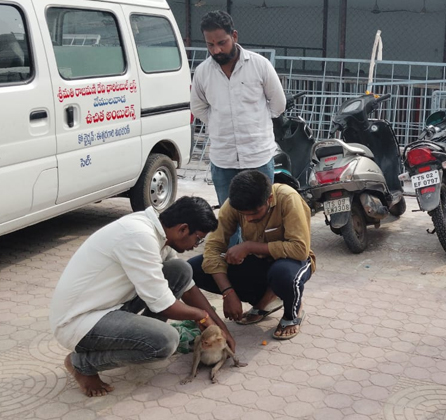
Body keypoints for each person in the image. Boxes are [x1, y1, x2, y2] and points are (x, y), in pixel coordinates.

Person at [50, 197, 234, 398]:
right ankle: (81, 364)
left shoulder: (159, 232)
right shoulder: (140, 237)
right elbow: (165, 306)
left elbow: (188, 288)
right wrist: (201, 316)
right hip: (79, 323)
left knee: (180, 270)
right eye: (198, 238)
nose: (195, 245)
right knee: (166, 341)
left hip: (108, 307)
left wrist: (221, 329)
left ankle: (140, 339)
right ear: (183, 229)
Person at [188, 170, 315, 340]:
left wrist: (249, 246)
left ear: (269, 199)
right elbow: (213, 248)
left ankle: (292, 314)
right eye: (244, 215)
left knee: (283, 275)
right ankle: (266, 299)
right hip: (260, 262)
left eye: (254, 214)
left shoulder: (288, 198)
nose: (248, 220)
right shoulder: (233, 205)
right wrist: (228, 292)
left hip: (294, 262)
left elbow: (300, 249)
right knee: (192, 268)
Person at [190, 10, 286, 207]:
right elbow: (198, 108)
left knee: (261, 218)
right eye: (210, 45)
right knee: (230, 222)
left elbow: (278, 104)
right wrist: (219, 122)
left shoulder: (260, 65)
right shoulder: (202, 73)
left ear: (234, 36)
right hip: (223, 160)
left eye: (222, 42)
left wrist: (255, 121)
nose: (216, 50)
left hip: (258, 157)